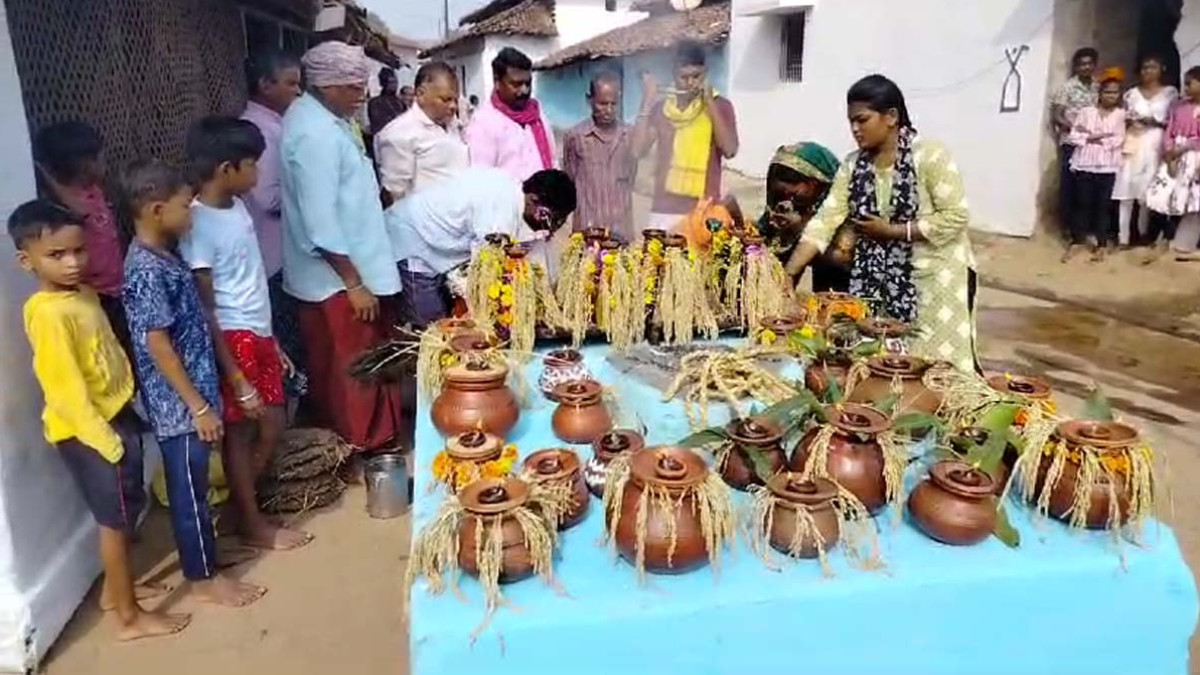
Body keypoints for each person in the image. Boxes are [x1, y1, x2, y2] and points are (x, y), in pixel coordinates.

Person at [9, 200, 191, 641]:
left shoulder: (82, 295)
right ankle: (128, 618)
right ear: (26, 261)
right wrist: (108, 443)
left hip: (114, 418)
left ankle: (116, 591)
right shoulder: (49, 315)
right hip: (94, 433)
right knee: (115, 522)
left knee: (127, 513)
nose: (73, 262)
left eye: (79, 251)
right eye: (57, 255)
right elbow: (65, 391)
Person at [120, 158, 266, 607]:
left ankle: (209, 555)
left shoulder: (167, 254)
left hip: (197, 393)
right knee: (189, 490)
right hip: (179, 406)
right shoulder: (145, 270)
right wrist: (196, 407)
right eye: (186, 206)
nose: (192, 214)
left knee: (199, 482)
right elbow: (158, 344)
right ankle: (202, 578)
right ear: (156, 210)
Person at [785, 75, 977, 372]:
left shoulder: (930, 155)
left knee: (938, 371)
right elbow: (825, 221)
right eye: (851, 121)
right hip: (877, 283)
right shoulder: (853, 165)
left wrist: (894, 232)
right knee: (884, 367)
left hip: (936, 282)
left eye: (862, 120)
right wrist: (790, 273)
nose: (855, 129)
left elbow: (955, 217)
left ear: (891, 117)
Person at [182, 116, 312, 550]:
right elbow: (206, 308)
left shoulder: (236, 206)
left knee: (273, 422)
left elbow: (248, 278)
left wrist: (271, 338)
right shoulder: (197, 224)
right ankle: (250, 523)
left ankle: (241, 513)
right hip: (233, 338)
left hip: (257, 332)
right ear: (226, 169)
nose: (258, 173)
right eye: (252, 164)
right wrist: (235, 376)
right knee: (242, 434)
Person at [281, 41, 403, 452]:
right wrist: (354, 283)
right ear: (325, 84)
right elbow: (320, 224)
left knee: (359, 361)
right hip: (337, 280)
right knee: (353, 368)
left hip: (353, 267)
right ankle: (365, 445)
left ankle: (370, 438)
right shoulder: (312, 134)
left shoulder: (330, 119)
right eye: (352, 87)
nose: (361, 94)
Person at [388, 167, 576, 327]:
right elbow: (485, 275)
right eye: (552, 220)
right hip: (413, 241)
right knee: (431, 328)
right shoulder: (499, 211)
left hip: (437, 247)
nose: (552, 228)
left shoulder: (513, 197)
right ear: (533, 200)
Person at [32, 122, 132, 361]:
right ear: (83, 164)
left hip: (117, 287)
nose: (104, 163)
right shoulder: (68, 203)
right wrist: (44, 172)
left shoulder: (95, 190)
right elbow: (69, 204)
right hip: (95, 293)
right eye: (98, 157)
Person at [240, 51, 305, 370]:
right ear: (265, 84)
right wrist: (308, 197)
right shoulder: (259, 131)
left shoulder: (276, 124)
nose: (297, 91)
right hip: (271, 255)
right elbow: (269, 197)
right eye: (290, 83)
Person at [632, 41, 739, 232]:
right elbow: (637, 150)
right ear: (674, 74)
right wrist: (647, 101)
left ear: (705, 74)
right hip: (665, 209)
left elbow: (730, 150)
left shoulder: (721, 106)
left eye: (696, 77)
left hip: (704, 209)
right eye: (684, 77)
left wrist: (709, 103)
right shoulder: (662, 109)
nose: (690, 83)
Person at [756, 142, 848, 292]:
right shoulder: (784, 202)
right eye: (782, 193)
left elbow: (843, 257)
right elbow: (764, 238)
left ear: (814, 183)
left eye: (794, 193)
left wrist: (800, 227)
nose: (788, 198)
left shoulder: (841, 202)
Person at [375, 61, 469, 203]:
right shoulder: (400, 133)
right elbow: (394, 195)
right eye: (446, 99)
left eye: (455, 100)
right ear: (420, 94)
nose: (453, 106)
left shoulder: (453, 126)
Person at [562, 72, 637, 241]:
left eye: (613, 104)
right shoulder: (576, 137)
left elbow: (631, 176)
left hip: (621, 231)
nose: (608, 110)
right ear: (589, 100)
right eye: (602, 104)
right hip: (587, 230)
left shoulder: (629, 135)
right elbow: (570, 179)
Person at [466, 47, 556, 182]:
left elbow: (553, 161)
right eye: (516, 84)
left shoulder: (537, 114)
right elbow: (481, 180)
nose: (525, 90)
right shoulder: (484, 123)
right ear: (497, 82)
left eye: (528, 83)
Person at [1114, 55, 1177, 248]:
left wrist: (1155, 122)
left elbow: (1174, 121)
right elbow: (1122, 117)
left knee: (1148, 189)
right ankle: (1123, 237)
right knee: (1126, 187)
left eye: (1152, 67)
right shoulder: (1131, 94)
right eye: (1144, 67)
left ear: (1161, 69)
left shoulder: (1170, 93)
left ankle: (1143, 234)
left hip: (1156, 142)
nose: (1147, 71)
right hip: (1133, 140)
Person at [1063, 71, 1126, 262]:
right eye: (1107, 92)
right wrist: (1098, 136)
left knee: (1103, 206)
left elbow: (1118, 139)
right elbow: (1074, 136)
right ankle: (1077, 240)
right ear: (1100, 93)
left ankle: (1102, 244)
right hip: (1085, 163)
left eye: (1114, 92)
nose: (1111, 96)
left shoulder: (1120, 115)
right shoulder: (1086, 112)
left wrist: (1091, 136)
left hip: (1107, 165)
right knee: (1082, 203)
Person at [1146, 66, 1200, 262]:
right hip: (1174, 156)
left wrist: (1184, 148)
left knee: (1190, 201)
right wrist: (1170, 156)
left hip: (1194, 158)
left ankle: (1186, 244)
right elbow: (1169, 131)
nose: (1185, 87)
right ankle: (1165, 237)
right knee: (1161, 196)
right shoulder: (1177, 106)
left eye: (1189, 83)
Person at [1050, 48, 1100, 239]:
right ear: (1076, 67)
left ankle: (1085, 226)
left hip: (1092, 144)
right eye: (1081, 64)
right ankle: (1067, 226)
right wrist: (1075, 128)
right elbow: (1057, 115)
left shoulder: (1098, 86)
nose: (1085, 67)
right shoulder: (1068, 88)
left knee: (1087, 186)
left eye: (1089, 63)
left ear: (1094, 65)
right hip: (1072, 142)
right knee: (1069, 185)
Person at [367, 67, 406, 135]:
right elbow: (378, 125)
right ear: (384, 84)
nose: (394, 85)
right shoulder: (375, 103)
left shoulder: (400, 102)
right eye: (391, 82)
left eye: (395, 82)